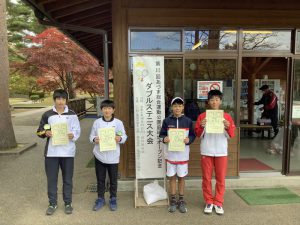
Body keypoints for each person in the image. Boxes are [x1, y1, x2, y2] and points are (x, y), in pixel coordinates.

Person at [37, 89, 81, 215]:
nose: (60, 101)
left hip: (68, 153)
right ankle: (52, 203)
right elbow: (39, 131)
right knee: (52, 179)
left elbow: (77, 131)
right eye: (58, 99)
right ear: (54, 100)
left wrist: (73, 135)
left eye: (62, 99)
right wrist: (46, 133)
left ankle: (68, 202)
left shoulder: (72, 114)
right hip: (51, 153)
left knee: (68, 179)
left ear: (66, 100)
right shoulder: (47, 115)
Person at [194, 90, 235, 215]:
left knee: (220, 178)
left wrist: (228, 126)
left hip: (221, 151)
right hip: (207, 150)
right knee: (206, 178)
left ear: (220, 101)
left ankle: (218, 202)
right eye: (212, 99)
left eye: (217, 99)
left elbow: (232, 135)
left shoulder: (227, 116)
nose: (214, 102)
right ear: (208, 102)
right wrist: (201, 126)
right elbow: (197, 134)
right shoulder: (202, 116)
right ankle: (208, 201)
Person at [89, 99, 127, 211]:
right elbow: (91, 137)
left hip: (113, 156)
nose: (107, 110)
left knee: (113, 179)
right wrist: (94, 139)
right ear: (101, 110)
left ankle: (113, 198)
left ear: (113, 110)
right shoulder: (97, 123)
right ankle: (100, 198)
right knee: (100, 179)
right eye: (105, 108)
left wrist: (119, 138)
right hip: (99, 155)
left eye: (109, 108)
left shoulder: (118, 123)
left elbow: (124, 137)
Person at [159, 97, 195, 213]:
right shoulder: (167, 121)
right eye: (175, 106)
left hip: (183, 155)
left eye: (179, 106)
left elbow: (193, 135)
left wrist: (188, 140)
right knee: (172, 177)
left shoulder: (188, 121)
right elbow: (161, 135)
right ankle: (173, 200)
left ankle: (181, 200)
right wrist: (165, 138)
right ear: (172, 107)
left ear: (183, 107)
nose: (177, 108)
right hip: (170, 155)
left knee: (181, 177)